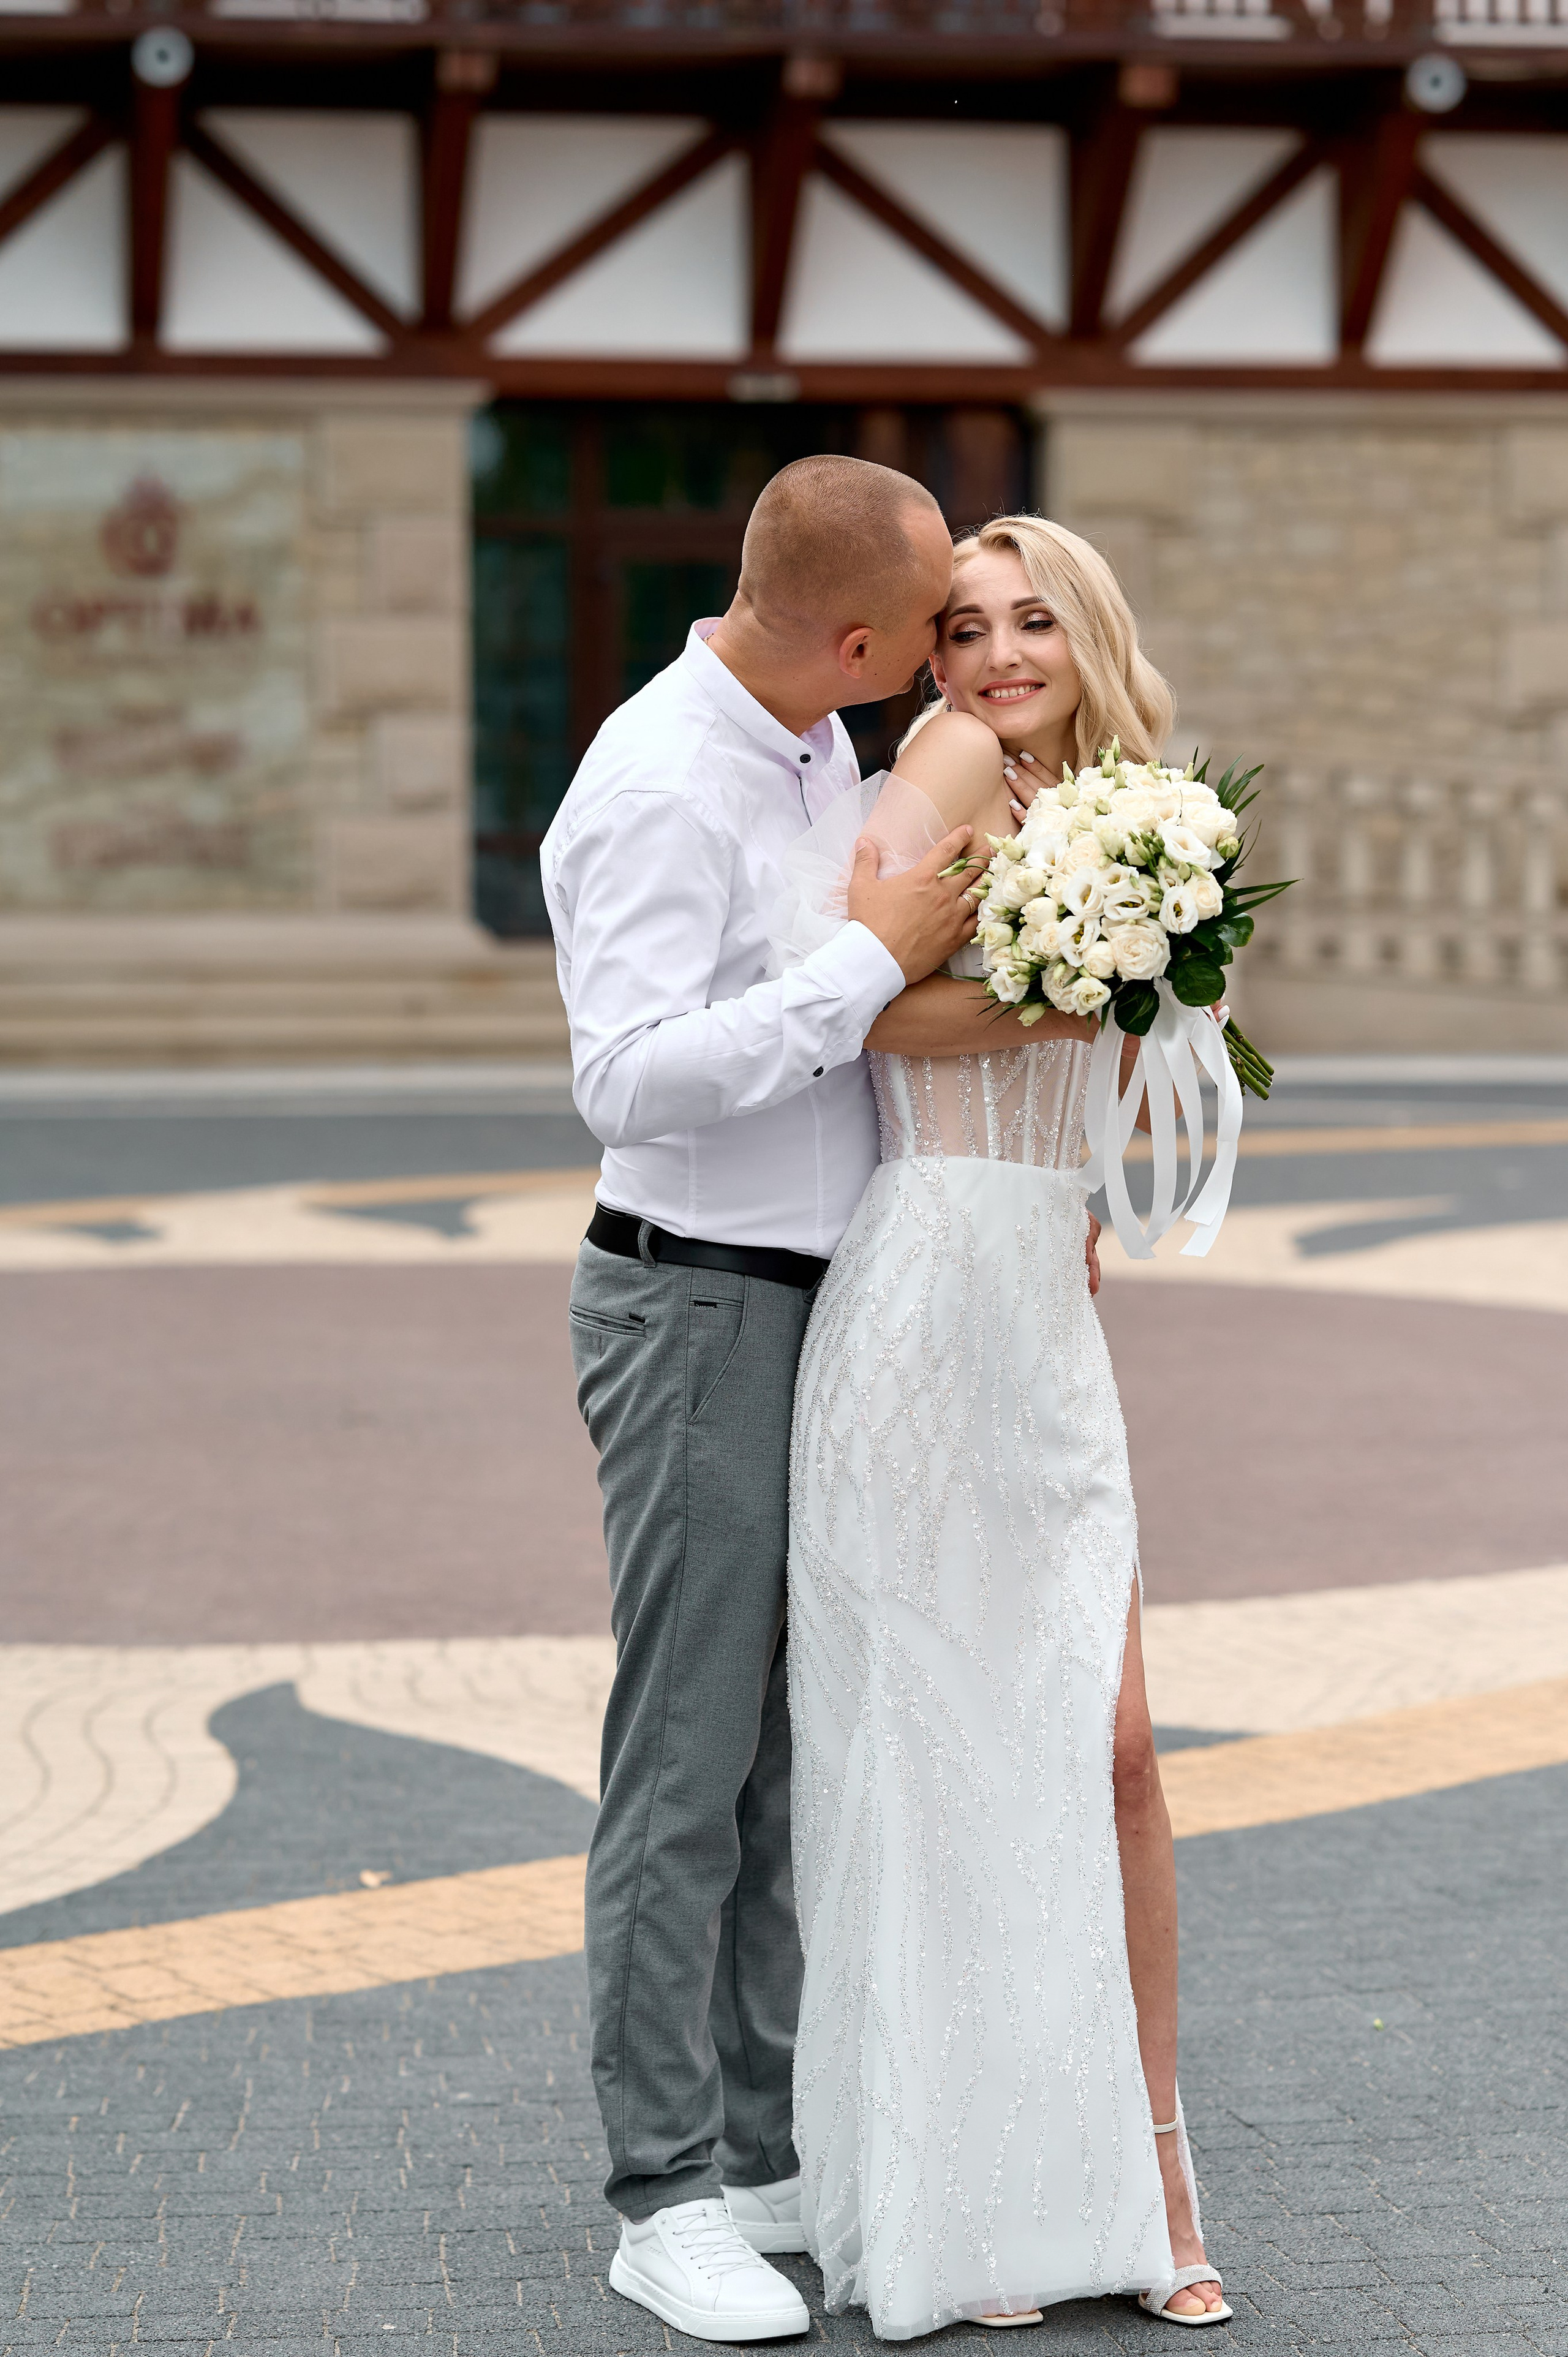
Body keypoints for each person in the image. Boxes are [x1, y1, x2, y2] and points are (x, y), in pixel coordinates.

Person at [542, 457, 1103, 2344]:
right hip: (696, 1304)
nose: (959, 655)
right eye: (934, 625)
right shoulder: (655, 780)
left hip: (842, 1297)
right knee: (686, 1760)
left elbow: (874, 1029)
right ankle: (659, 2195)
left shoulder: (817, 739)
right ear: (854, 637)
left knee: (796, 1750)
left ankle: (766, 2145)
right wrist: (874, 962)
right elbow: (628, 1081)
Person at [785, 514, 1232, 2337]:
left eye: (1033, 617)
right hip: (920, 1304)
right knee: (949, 1742)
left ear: (1088, 628)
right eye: (960, 626)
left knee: (1111, 1759)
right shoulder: (950, 766)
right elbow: (865, 1003)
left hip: (1044, 1311)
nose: (994, 653)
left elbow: (1109, 1065)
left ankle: (1154, 2166)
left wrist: (1124, 983)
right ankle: (960, 2200)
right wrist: (1084, 966)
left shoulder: (1144, 810)